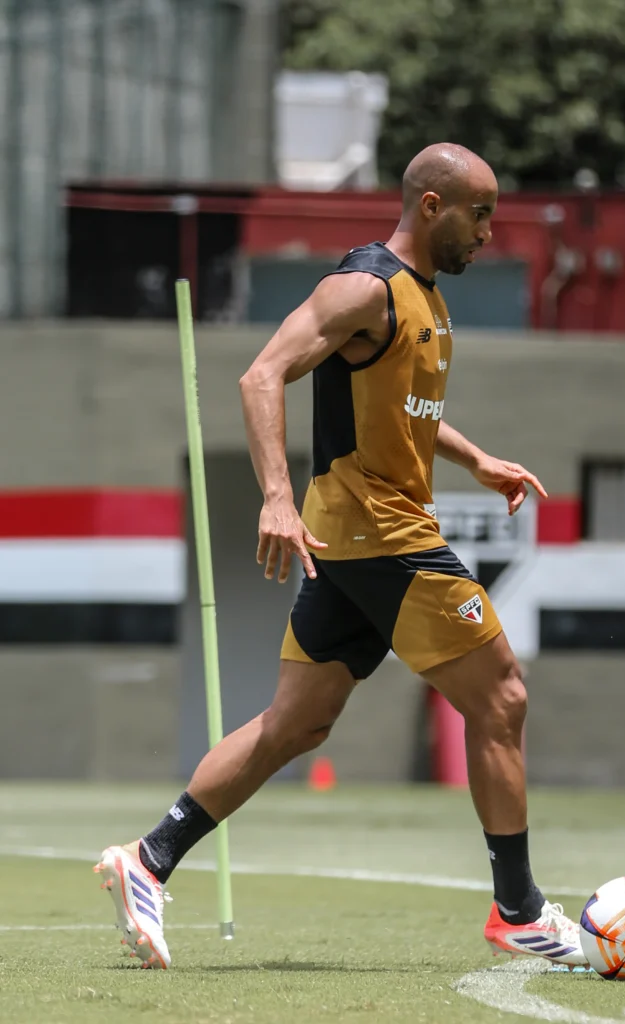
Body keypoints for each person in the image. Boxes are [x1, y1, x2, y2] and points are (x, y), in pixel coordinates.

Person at [94, 143, 587, 971]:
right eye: (478, 214)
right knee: (501, 695)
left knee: (296, 724)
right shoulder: (363, 287)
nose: (487, 232)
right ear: (430, 206)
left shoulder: (424, 299)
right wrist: (276, 497)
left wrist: (474, 460)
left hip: (354, 540)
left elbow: (404, 409)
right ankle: (519, 909)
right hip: (379, 533)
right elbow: (262, 376)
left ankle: (147, 860)